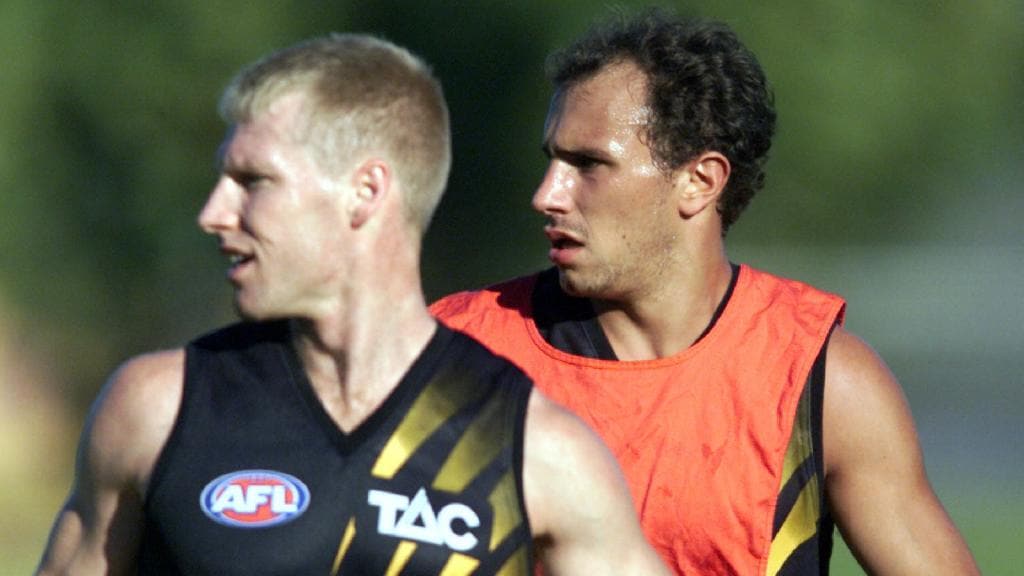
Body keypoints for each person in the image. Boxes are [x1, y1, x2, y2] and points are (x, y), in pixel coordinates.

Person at [35, 34, 670, 576]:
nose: (214, 214)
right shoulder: (155, 409)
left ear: (365, 192)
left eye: (253, 181)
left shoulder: (537, 450)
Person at [430, 10, 981, 576]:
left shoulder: (822, 384)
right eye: (553, 161)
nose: (547, 194)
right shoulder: (452, 357)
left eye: (588, 164)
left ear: (700, 181)